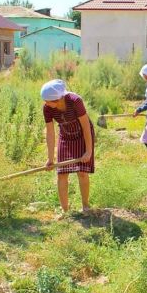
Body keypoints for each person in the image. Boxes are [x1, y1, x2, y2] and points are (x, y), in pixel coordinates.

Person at [42, 79, 95, 218]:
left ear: (58, 98)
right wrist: (50, 158)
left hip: (83, 136)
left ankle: (85, 206)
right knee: (61, 174)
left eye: (48, 100)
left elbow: (86, 126)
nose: (46, 103)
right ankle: (65, 211)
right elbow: (50, 132)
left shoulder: (75, 101)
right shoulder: (47, 108)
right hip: (65, 136)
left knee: (82, 172)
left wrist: (88, 151)